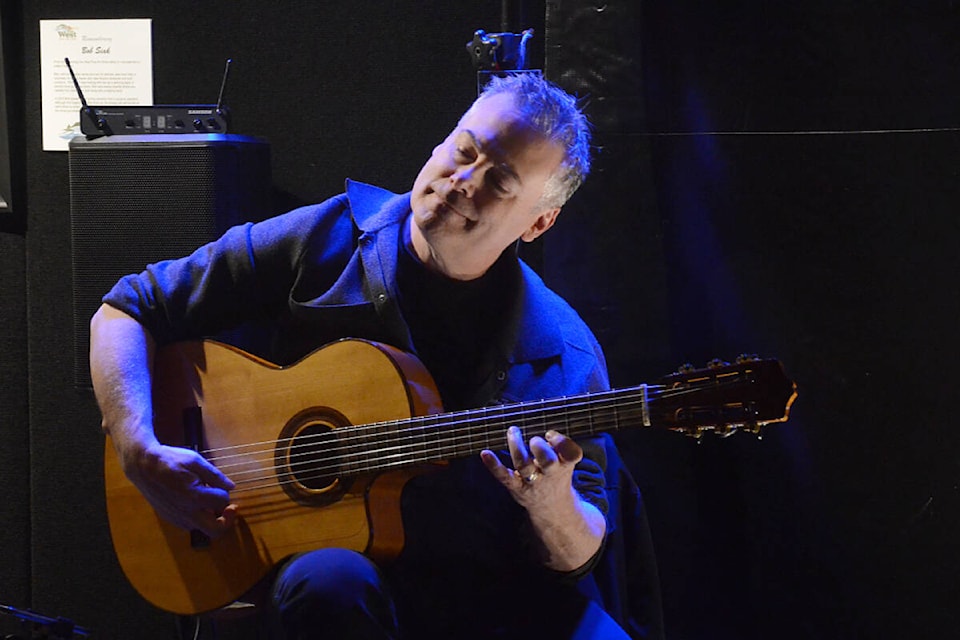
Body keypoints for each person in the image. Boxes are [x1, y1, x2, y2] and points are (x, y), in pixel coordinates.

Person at [89, 73, 661, 639]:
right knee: (330, 582)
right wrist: (137, 445)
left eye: (499, 181)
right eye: (463, 149)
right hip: (334, 574)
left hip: (491, 590)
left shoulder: (562, 348)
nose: (461, 180)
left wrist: (553, 504)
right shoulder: (322, 239)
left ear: (538, 222)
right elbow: (125, 309)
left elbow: (580, 553)